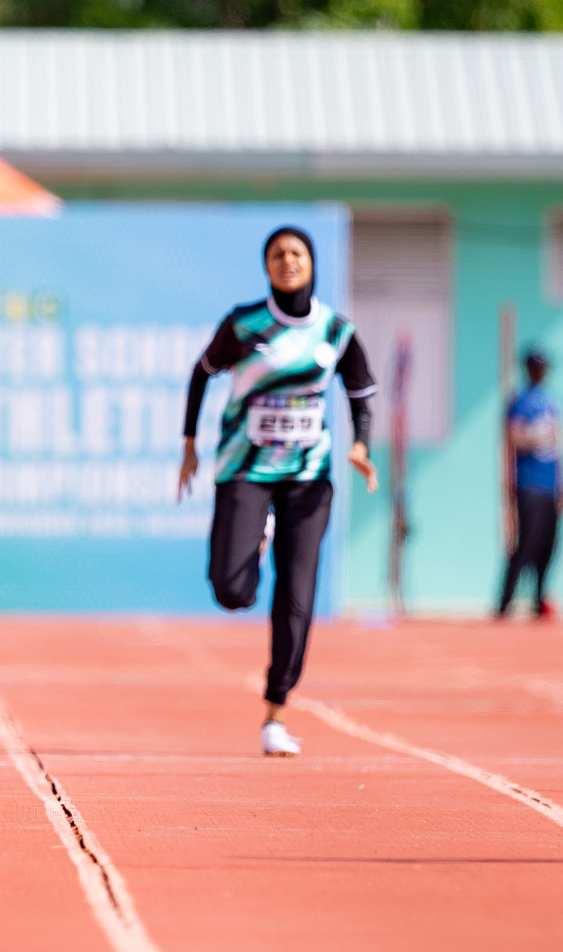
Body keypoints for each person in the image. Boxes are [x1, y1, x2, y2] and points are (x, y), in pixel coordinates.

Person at [177, 226, 378, 757]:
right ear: (267, 266)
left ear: (311, 263)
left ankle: (275, 714)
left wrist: (361, 445)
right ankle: (255, 534)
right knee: (232, 591)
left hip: (308, 478)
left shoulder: (336, 330)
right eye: (277, 254)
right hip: (245, 470)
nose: (287, 261)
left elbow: (360, 392)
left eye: (296, 253)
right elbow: (201, 375)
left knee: (296, 597)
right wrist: (190, 441)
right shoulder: (245, 324)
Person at [497, 349, 562, 621]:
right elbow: (515, 439)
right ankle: (505, 601)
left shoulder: (551, 402)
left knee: (549, 545)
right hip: (528, 483)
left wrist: (562, 487)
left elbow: (558, 447)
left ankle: (538, 599)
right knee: (526, 544)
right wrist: (535, 437)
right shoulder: (520, 402)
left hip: (550, 485)